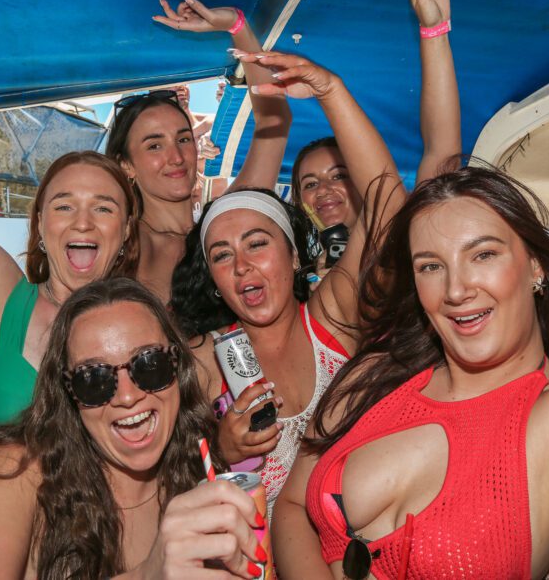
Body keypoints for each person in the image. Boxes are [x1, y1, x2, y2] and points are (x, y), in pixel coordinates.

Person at [272, 166, 549, 580]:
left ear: (535, 265)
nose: (456, 290)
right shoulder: (374, 375)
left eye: (483, 254)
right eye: (430, 266)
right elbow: (293, 505)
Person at [171, 48, 407, 519]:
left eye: (257, 244)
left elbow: (386, 206)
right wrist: (221, 452)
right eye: (222, 255)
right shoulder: (199, 360)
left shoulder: (333, 316)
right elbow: (159, 483)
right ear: (214, 282)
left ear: (295, 255)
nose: (241, 266)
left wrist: (331, 91)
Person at [0, 278, 268, 579]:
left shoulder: (196, 466)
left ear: (177, 367)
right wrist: (146, 575)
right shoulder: (14, 469)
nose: (127, 396)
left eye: (149, 364)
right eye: (93, 379)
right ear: (67, 392)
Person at [0, 150, 139, 466]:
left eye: (103, 208)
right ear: (39, 222)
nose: (83, 223)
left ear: (127, 230)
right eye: (64, 206)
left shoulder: (144, 333)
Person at [106, 0, 292, 301]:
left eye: (183, 139)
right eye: (154, 145)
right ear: (125, 164)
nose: (176, 157)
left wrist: (237, 25)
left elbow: (275, 121)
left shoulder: (223, 224)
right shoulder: (124, 250)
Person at [289, 0, 461, 250]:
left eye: (339, 174)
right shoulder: (298, 279)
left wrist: (434, 29)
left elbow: (442, 152)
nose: (324, 190)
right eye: (310, 184)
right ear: (300, 202)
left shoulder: (407, 240)